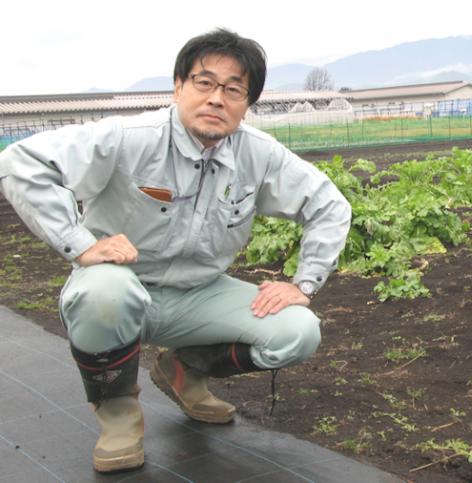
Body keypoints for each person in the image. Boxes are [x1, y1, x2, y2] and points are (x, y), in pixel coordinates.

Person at [0, 28, 351, 473]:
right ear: (178, 86)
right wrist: (81, 245)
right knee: (103, 294)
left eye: (234, 89)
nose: (216, 99)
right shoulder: (130, 137)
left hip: (197, 294)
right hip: (122, 284)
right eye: (204, 83)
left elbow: (330, 205)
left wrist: (304, 283)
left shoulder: (259, 155)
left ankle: (184, 370)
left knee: (297, 332)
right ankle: (119, 420)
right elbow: (21, 163)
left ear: (247, 103)